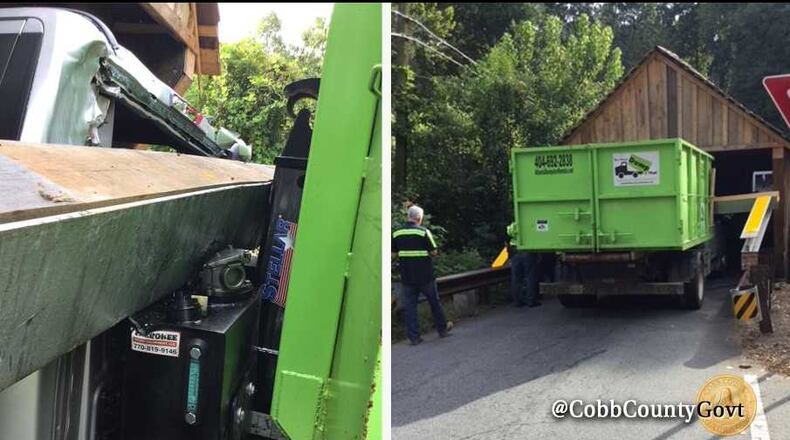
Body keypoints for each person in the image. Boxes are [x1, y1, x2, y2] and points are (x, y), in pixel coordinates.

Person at [392, 205, 452, 345]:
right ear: (419, 218)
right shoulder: (424, 232)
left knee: (410, 307)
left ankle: (414, 337)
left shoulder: (397, 234)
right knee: (434, 302)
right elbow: (434, 252)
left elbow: (393, 254)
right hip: (425, 276)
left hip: (407, 276)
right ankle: (442, 329)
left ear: (408, 216)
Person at [506, 222, 541, 308]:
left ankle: (517, 301)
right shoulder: (531, 224)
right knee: (530, 277)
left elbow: (509, 232)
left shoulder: (514, 225)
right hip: (528, 250)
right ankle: (531, 301)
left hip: (515, 252)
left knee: (516, 278)